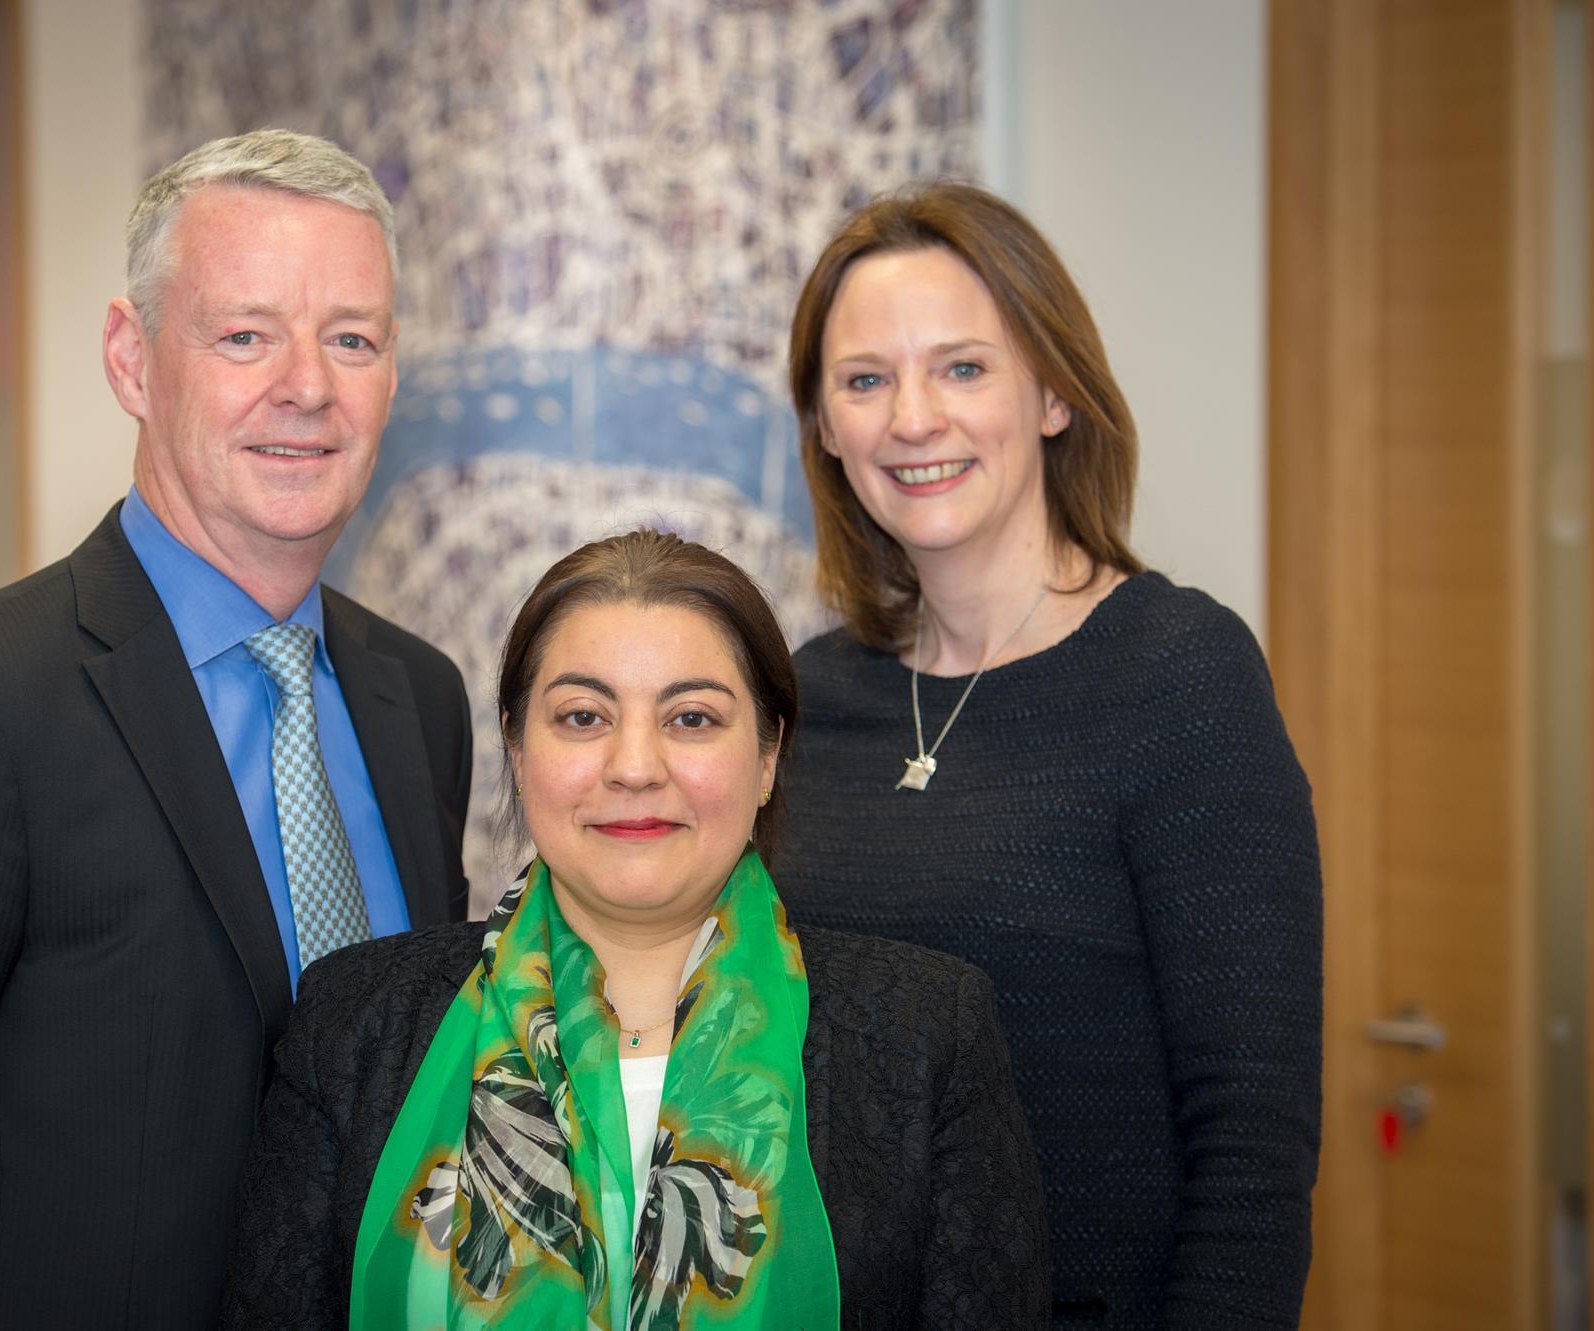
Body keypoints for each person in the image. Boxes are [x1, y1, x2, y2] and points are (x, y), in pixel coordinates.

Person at [0, 129, 472, 1328]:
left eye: (351, 339)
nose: (307, 386)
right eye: (244, 335)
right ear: (131, 358)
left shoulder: (416, 698)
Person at [218, 529, 1050, 1330]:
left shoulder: (927, 1035)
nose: (635, 766)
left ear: (768, 756)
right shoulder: (354, 1020)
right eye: (584, 716)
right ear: (517, 750)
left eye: (692, 718)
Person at [770, 181, 1323, 1330]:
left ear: (1053, 393)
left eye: (962, 367)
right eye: (863, 380)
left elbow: (1251, 1139)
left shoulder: (1180, 673)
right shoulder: (806, 695)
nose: (911, 418)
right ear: (823, 426)